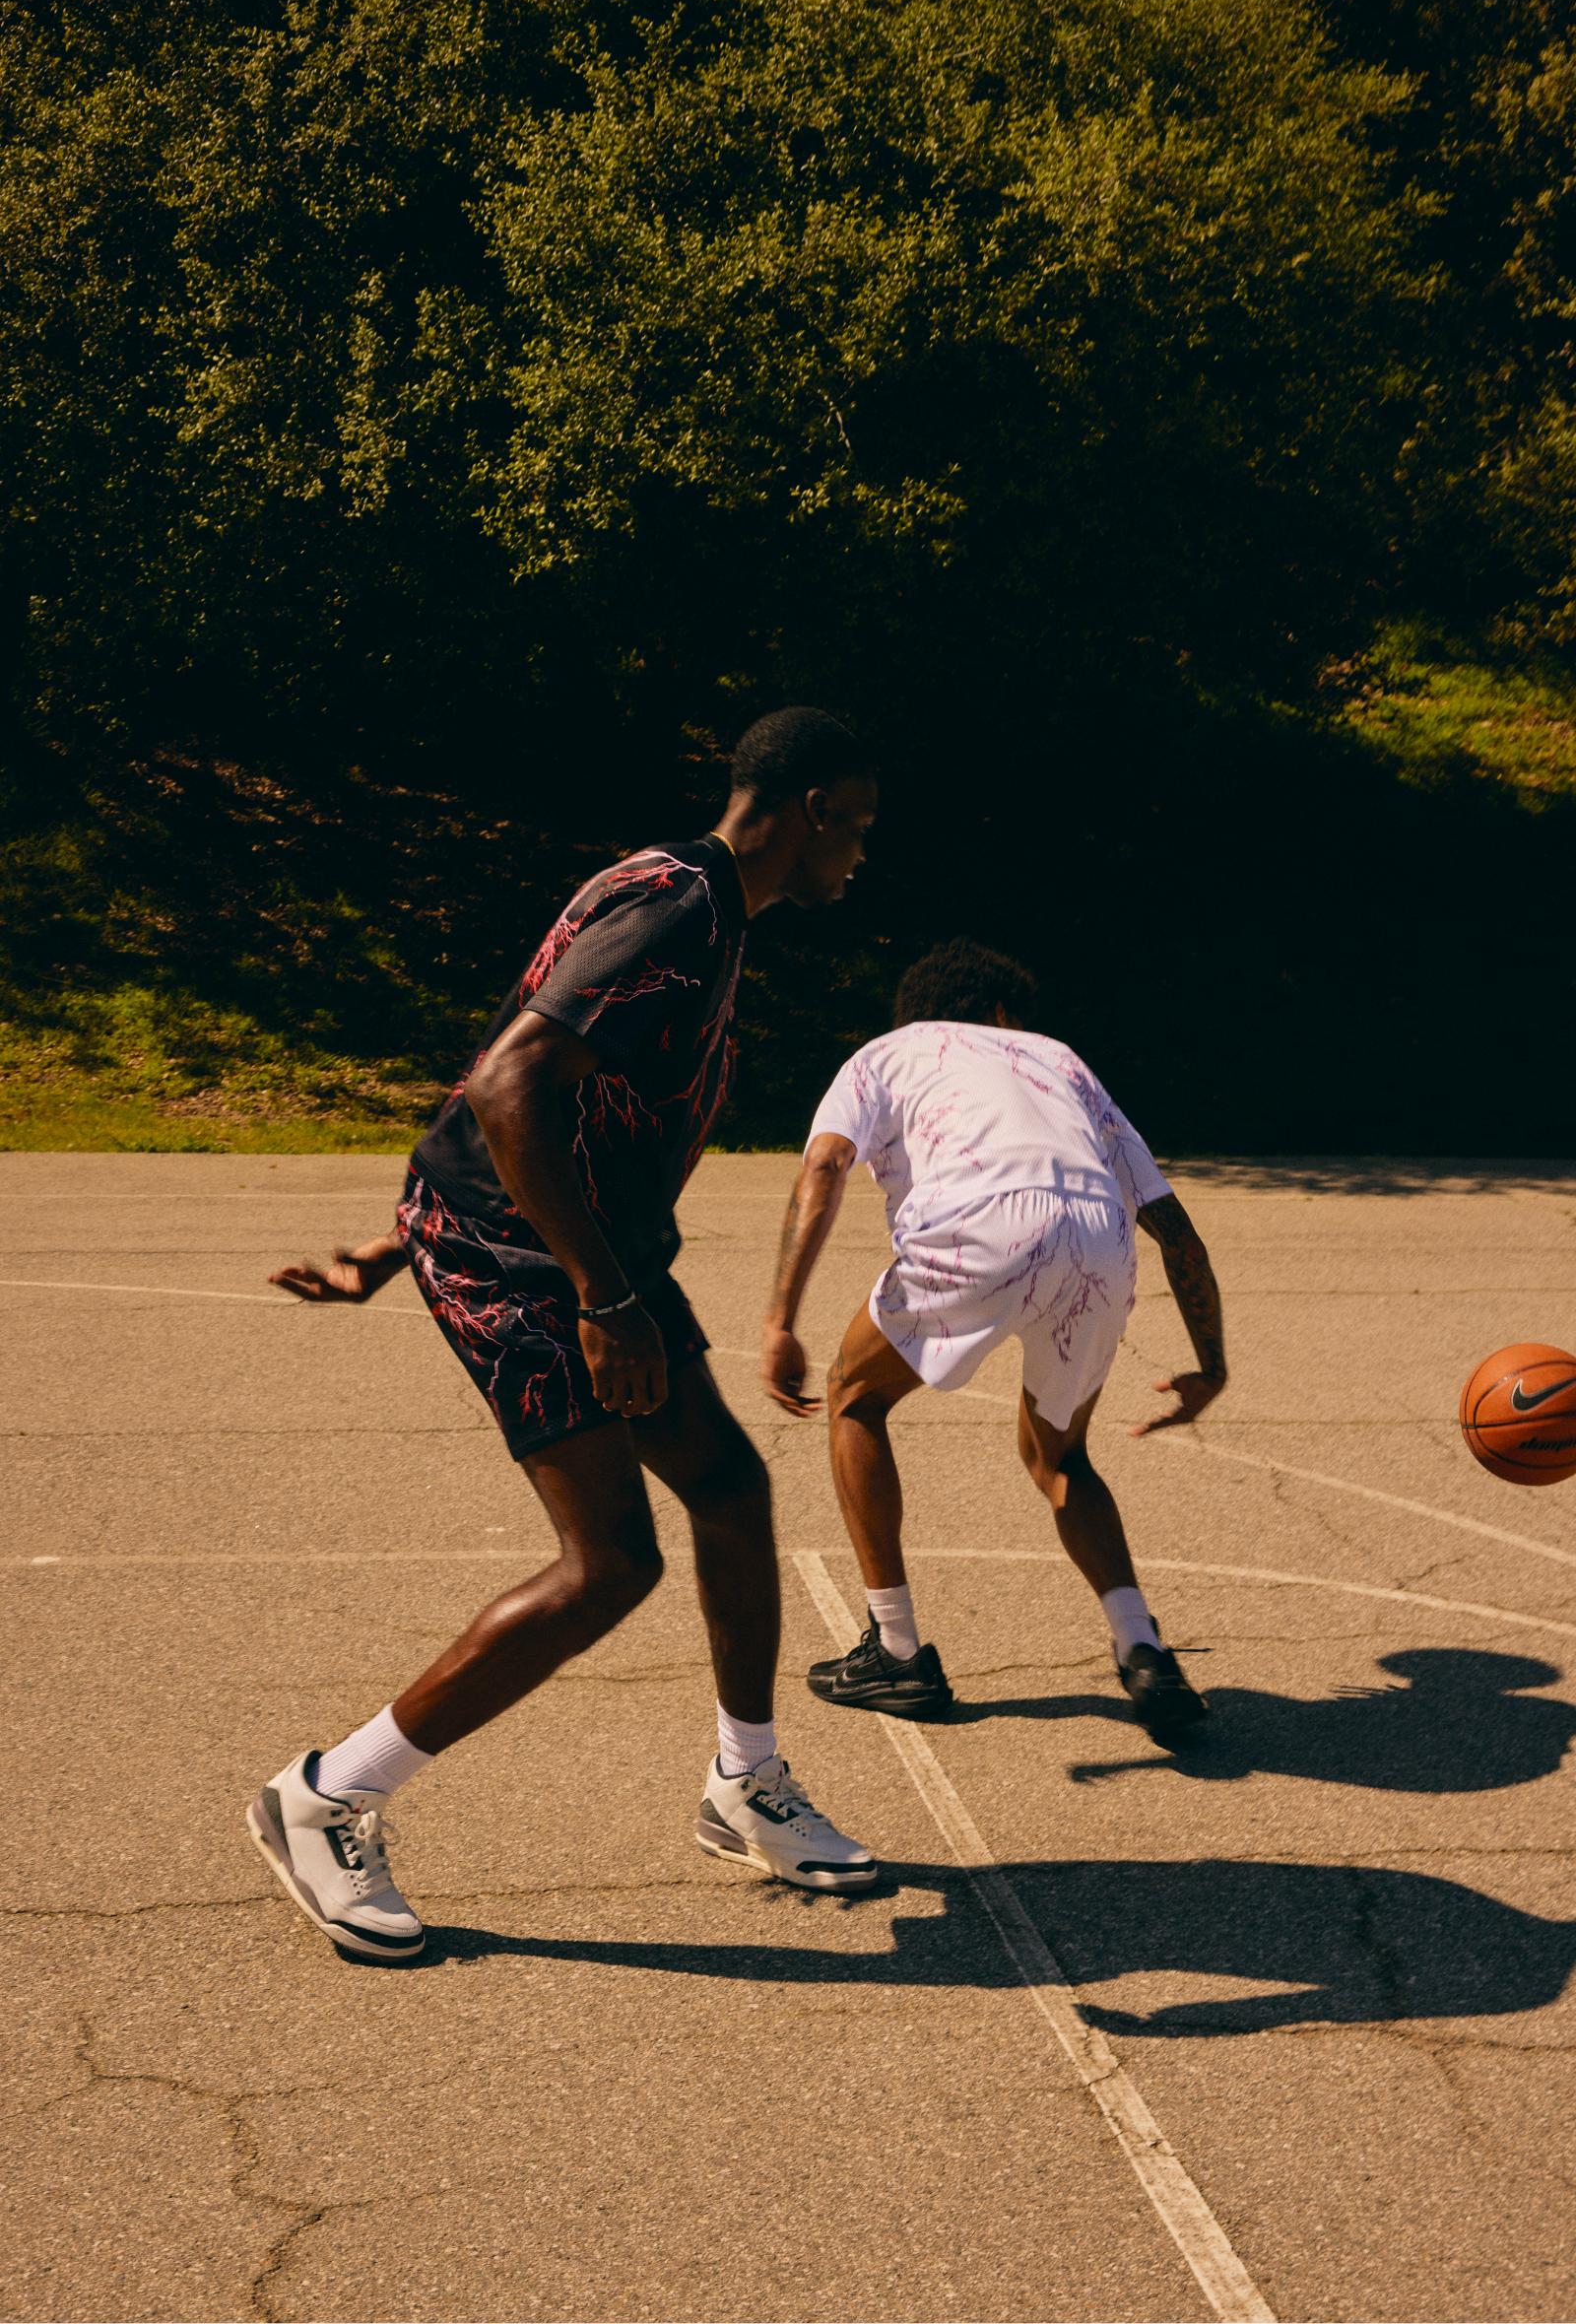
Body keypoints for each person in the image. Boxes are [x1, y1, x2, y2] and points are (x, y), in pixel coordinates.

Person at [248, 708, 882, 1961]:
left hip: (564, 1239)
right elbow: (505, 1087)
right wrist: (597, 1299)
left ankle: (741, 1782)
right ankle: (325, 1797)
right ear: (811, 807)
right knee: (610, 1565)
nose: (863, 852)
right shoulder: (680, 913)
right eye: (858, 824)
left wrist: (400, 1235)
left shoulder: (668, 884)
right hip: (534, 1259)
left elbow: (514, 1056)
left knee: (731, 1491)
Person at [760, 937, 1224, 1737]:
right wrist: (1210, 1366)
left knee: (854, 1398)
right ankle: (1142, 1648)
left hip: (978, 1226)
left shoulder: (887, 1053)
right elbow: (1175, 1231)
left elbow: (826, 1166)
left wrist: (779, 1319)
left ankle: (897, 1653)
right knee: (1061, 1457)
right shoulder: (1058, 1058)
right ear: (1002, 1010)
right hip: (1098, 1240)